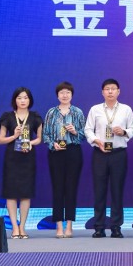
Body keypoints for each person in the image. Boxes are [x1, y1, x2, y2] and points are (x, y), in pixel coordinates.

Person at [84, 78, 133, 238]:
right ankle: (99, 227)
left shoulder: (126, 109)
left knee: (117, 190)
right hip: (100, 153)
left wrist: (124, 132)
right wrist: (96, 140)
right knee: (99, 191)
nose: (110, 91)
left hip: (118, 153)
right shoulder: (95, 109)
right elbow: (88, 129)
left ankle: (116, 226)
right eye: (107, 89)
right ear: (102, 92)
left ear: (119, 91)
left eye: (113, 88)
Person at [0, 87, 43, 239]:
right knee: (11, 193)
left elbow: (39, 138)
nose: (23, 101)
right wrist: (14, 136)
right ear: (14, 100)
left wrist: (30, 143)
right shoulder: (7, 117)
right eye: (19, 98)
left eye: (25, 98)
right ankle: (14, 227)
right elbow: (1, 139)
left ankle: (22, 227)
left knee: (25, 193)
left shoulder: (35, 117)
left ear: (30, 100)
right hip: (12, 158)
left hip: (28, 158)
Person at [43, 82, 86, 238]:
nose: (65, 95)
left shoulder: (78, 112)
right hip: (56, 153)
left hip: (73, 151)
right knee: (57, 188)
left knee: (71, 188)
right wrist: (52, 144)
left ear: (72, 95)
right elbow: (45, 134)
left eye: (68, 92)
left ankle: (69, 226)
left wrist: (75, 132)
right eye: (62, 92)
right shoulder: (51, 113)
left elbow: (84, 135)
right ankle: (59, 226)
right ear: (57, 95)